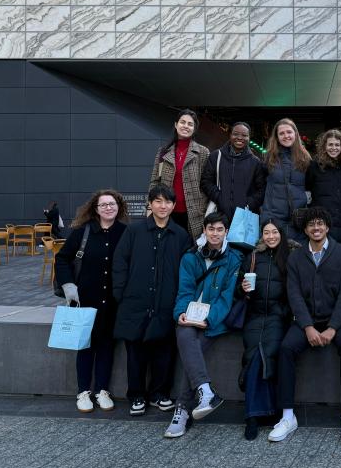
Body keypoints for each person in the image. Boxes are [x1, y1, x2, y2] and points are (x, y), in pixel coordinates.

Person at [269, 207, 341, 443]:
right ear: (305, 229)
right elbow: (294, 294)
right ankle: (288, 415)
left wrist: (332, 327)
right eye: (311, 224)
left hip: (337, 321)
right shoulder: (296, 257)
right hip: (306, 320)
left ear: (327, 227)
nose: (316, 228)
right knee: (286, 348)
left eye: (320, 223)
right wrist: (308, 327)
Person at [112, 184, 193, 417]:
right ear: (150, 204)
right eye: (157, 201)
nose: (163, 205)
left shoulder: (180, 235)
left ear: (174, 206)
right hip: (135, 302)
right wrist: (121, 293)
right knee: (135, 352)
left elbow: (187, 271)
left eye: (167, 202)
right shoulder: (134, 231)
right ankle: (136, 395)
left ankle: (160, 394)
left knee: (164, 351)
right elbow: (120, 263)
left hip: (165, 304)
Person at [164, 211, 243, 438]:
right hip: (189, 315)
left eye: (220, 229)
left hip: (212, 321)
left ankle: (182, 410)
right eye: (211, 229)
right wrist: (180, 313)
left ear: (226, 231)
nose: (215, 233)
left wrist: (208, 320)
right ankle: (205, 391)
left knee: (191, 349)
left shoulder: (234, 259)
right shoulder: (190, 258)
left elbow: (226, 298)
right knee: (186, 335)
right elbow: (185, 290)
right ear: (204, 231)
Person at [55, 189, 129, 413]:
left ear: (119, 207)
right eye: (104, 204)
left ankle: (102, 390)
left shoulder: (125, 232)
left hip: (112, 302)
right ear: (95, 209)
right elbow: (62, 259)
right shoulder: (82, 231)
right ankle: (83, 391)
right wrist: (69, 286)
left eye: (112, 204)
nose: (109, 207)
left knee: (107, 346)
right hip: (85, 300)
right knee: (85, 347)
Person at [236, 219, 297, 440]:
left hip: (278, 316)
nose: (270, 236)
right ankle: (252, 415)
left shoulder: (291, 256)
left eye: (274, 232)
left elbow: (297, 289)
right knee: (252, 356)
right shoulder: (252, 257)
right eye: (266, 232)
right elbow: (238, 290)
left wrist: (284, 311)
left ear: (281, 233)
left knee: (268, 355)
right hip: (254, 315)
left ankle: (271, 411)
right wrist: (243, 289)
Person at [149, 109, 210, 239]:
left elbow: (208, 183)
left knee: (191, 250)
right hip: (166, 211)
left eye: (190, 124)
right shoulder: (163, 152)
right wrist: (150, 206)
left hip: (194, 213)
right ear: (176, 125)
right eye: (182, 122)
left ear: (194, 129)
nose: (186, 126)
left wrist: (202, 206)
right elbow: (155, 181)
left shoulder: (203, 152)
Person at [200, 121, 267, 224]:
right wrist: (219, 198)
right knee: (217, 240)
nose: (239, 138)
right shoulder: (216, 156)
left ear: (249, 138)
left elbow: (262, 189)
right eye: (235, 134)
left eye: (244, 135)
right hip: (219, 215)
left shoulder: (255, 162)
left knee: (240, 241)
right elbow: (206, 181)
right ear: (230, 135)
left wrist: (248, 203)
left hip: (244, 217)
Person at [260, 118, 311, 243]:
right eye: (281, 133)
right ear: (276, 137)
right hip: (274, 220)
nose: (286, 136)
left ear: (295, 134)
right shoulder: (268, 158)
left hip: (299, 220)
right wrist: (266, 217)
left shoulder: (306, 159)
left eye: (289, 132)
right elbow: (260, 188)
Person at [306, 129, 341, 249]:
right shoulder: (315, 167)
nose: (333, 148)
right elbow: (307, 192)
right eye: (330, 144)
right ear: (324, 146)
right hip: (320, 224)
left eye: (337, 145)